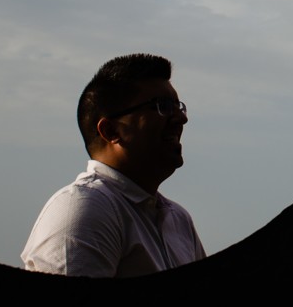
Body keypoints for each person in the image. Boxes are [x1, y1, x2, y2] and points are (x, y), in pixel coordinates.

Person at [21, 52, 206, 277]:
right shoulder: (86, 208)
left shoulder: (178, 220)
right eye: (163, 106)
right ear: (110, 131)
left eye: (178, 106)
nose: (180, 118)